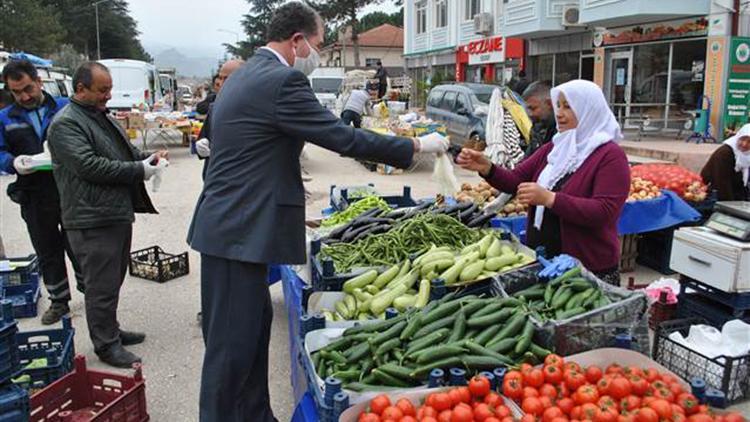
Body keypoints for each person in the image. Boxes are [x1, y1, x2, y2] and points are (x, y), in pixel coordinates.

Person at [186, 3, 449, 420]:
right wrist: (414, 146)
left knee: (251, 338)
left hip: (234, 227)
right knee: (230, 351)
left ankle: (257, 415)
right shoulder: (281, 80)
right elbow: (340, 137)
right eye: (320, 45)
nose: (319, 54)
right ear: (297, 41)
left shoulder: (248, 74)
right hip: (237, 232)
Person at [47, 62, 168, 368]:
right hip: (90, 219)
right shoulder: (66, 124)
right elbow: (89, 166)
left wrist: (147, 158)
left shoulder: (100, 117)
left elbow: (122, 154)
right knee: (99, 286)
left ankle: (111, 330)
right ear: (80, 89)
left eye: (109, 89)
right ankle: (106, 344)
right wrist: (140, 170)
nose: (108, 96)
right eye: (102, 90)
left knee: (111, 280)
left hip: (113, 212)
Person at [457, 79, 629, 285]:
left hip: (587, 270)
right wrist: (487, 168)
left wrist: (551, 199)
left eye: (568, 106)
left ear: (588, 110)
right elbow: (515, 181)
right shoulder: (555, 147)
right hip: (545, 261)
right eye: (558, 106)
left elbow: (604, 211)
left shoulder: (610, 155)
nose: (560, 113)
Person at [0, 59, 83, 325]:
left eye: (27, 88)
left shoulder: (64, 107)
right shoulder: (5, 118)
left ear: (38, 81)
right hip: (33, 193)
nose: (24, 96)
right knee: (47, 249)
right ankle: (59, 301)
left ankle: (92, 294)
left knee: (79, 246)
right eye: (16, 92)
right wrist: (12, 163)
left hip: (69, 190)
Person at [194, 59, 244, 178]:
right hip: (213, 177)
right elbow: (205, 137)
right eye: (220, 78)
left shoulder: (255, 110)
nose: (221, 83)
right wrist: (201, 146)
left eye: (226, 79)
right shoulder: (214, 107)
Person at [701, 124, 750, 201]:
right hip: (715, 196)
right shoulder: (725, 153)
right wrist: (731, 208)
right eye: (742, 139)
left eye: (749, 142)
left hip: (735, 195)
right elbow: (722, 184)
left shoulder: (747, 155)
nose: (744, 144)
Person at [523, 81, 557, 157]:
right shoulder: (537, 128)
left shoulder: (563, 132)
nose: (530, 114)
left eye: (533, 108)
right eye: (528, 109)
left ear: (549, 104)